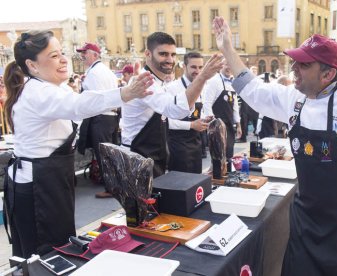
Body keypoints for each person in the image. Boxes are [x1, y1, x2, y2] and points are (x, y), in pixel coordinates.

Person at [213, 16, 337, 275]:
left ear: (328, 73)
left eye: (304, 64)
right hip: (306, 222)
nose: (294, 67)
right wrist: (227, 48)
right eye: (295, 61)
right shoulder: (294, 98)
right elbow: (255, 92)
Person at [2, 30, 153, 258]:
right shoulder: (38, 92)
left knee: (58, 245)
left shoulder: (52, 88)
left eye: (62, 53)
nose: (64, 60)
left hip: (49, 180)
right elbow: (78, 105)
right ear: (32, 66)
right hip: (38, 188)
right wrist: (125, 92)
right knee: (45, 253)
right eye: (54, 56)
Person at [121, 32, 222, 177]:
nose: (169, 60)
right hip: (137, 157)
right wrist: (203, 76)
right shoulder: (144, 82)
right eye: (163, 54)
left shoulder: (156, 82)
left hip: (151, 154)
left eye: (173, 55)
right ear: (148, 54)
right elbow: (175, 110)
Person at [75, 42, 120, 198]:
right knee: (110, 153)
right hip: (110, 117)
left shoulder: (94, 73)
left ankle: (111, 188)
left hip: (101, 117)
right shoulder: (106, 71)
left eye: (84, 53)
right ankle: (115, 185)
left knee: (103, 155)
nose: (82, 56)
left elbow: (92, 99)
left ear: (94, 55)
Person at [167, 52, 210, 174]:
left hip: (196, 144)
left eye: (200, 67)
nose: (197, 71)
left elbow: (199, 112)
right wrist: (191, 125)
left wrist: (206, 120)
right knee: (180, 185)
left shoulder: (203, 88)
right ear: (184, 67)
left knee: (195, 183)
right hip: (177, 145)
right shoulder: (172, 88)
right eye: (193, 67)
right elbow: (165, 122)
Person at [204, 60, 241, 162]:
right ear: (221, 66)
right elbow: (207, 103)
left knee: (229, 152)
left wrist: (238, 124)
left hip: (229, 124)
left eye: (231, 64)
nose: (229, 67)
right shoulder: (214, 81)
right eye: (226, 64)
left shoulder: (234, 82)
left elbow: (235, 106)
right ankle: (218, 176)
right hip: (218, 125)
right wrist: (213, 124)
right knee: (218, 155)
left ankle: (228, 175)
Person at [238, 66, 259, 142]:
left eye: (255, 70)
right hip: (245, 103)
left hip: (255, 104)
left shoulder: (259, 81)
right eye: (252, 70)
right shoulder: (244, 80)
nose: (254, 71)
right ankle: (243, 137)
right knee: (244, 120)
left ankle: (258, 134)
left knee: (256, 120)